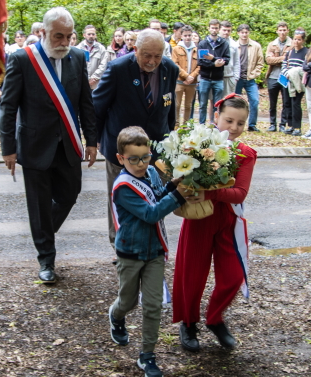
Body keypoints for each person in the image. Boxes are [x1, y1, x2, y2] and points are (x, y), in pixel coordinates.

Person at [0, 7, 98, 283]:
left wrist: (92, 140)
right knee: (39, 204)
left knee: (70, 194)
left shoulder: (78, 57)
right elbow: (8, 107)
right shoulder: (22, 59)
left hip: (67, 143)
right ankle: (46, 258)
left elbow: (85, 103)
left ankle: (42, 233)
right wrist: (8, 147)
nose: (65, 43)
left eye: (69, 37)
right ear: (42, 33)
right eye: (58, 36)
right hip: (34, 145)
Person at [173, 94, 257, 352]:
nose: (233, 128)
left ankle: (215, 318)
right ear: (216, 115)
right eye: (229, 120)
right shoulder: (196, 145)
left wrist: (209, 193)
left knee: (233, 276)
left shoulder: (245, 154)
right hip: (199, 219)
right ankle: (188, 323)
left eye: (240, 123)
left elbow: (240, 193)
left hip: (227, 222)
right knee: (192, 275)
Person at [107, 126, 188, 377]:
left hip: (153, 252)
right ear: (121, 158)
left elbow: (155, 197)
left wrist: (172, 186)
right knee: (128, 301)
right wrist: (178, 196)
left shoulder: (151, 171)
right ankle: (116, 316)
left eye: (145, 157)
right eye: (134, 159)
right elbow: (150, 213)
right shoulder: (122, 187)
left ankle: (147, 356)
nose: (141, 164)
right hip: (130, 253)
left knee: (153, 305)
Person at [93, 28, 179, 250]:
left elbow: (170, 109)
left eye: (157, 56)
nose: (152, 61)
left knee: (155, 196)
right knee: (121, 197)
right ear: (135, 49)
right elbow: (98, 107)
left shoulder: (170, 68)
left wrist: (171, 142)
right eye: (147, 55)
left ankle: (152, 243)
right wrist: (93, 142)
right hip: (121, 149)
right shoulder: (118, 69)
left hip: (156, 149)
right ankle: (119, 244)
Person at [197, 19, 230, 125]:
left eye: (216, 28)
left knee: (217, 104)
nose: (214, 30)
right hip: (205, 78)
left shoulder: (224, 43)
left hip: (218, 78)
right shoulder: (202, 43)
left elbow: (226, 60)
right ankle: (201, 124)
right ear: (209, 28)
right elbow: (200, 61)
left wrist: (213, 58)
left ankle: (215, 124)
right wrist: (213, 64)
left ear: (219, 29)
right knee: (202, 104)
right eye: (212, 27)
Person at [234, 24, 264, 132]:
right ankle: (236, 123)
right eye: (242, 32)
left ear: (248, 33)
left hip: (250, 78)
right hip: (237, 79)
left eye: (246, 32)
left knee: (254, 101)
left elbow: (260, 63)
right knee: (236, 102)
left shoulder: (255, 46)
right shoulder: (234, 45)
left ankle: (252, 125)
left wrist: (254, 74)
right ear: (238, 33)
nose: (244, 34)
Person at [265, 22, 292, 132]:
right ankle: (272, 123)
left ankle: (282, 124)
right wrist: (283, 58)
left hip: (285, 76)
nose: (282, 32)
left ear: (287, 30)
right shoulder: (272, 44)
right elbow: (268, 60)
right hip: (273, 76)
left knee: (286, 101)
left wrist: (276, 59)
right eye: (280, 30)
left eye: (284, 30)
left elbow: (290, 60)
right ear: (277, 31)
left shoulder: (292, 44)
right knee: (272, 102)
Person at [281, 28, 308, 136]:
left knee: (295, 104)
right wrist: (286, 73)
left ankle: (297, 127)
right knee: (287, 103)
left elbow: (305, 67)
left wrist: (293, 73)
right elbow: (284, 64)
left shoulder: (306, 52)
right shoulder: (290, 52)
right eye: (295, 39)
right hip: (288, 81)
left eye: (299, 39)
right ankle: (290, 125)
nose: (296, 41)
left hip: (298, 83)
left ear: (303, 41)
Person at [172, 25, 199, 128]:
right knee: (177, 105)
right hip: (180, 81)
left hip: (192, 82)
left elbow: (199, 65)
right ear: (181, 36)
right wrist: (186, 76)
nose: (187, 37)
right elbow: (175, 64)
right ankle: (176, 124)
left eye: (189, 35)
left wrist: (192, 76)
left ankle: (186, 125)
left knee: (188, 105)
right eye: (185, 35)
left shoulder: (196, 49)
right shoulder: (176, 49)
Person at [77, 25, 106, 89]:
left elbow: (103, 65)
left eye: (93, 34)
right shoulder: (78, 48)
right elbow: (77, 66)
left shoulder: (101, 49)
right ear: (84, 35)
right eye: (89, 34)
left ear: (95, 35)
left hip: (96, 84)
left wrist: (94, 77)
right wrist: (86, 79)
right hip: (82, 83)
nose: (91, 36)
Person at [219, 21, 240, 98]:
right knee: (215, 101)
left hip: (229, 76)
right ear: (220, 30)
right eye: (224, 30)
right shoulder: (214, 42)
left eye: (228, 31)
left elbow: (237, 61)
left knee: (228, 100)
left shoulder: (234, 44)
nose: (226, 32)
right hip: (216, 77)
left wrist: (236, 77)